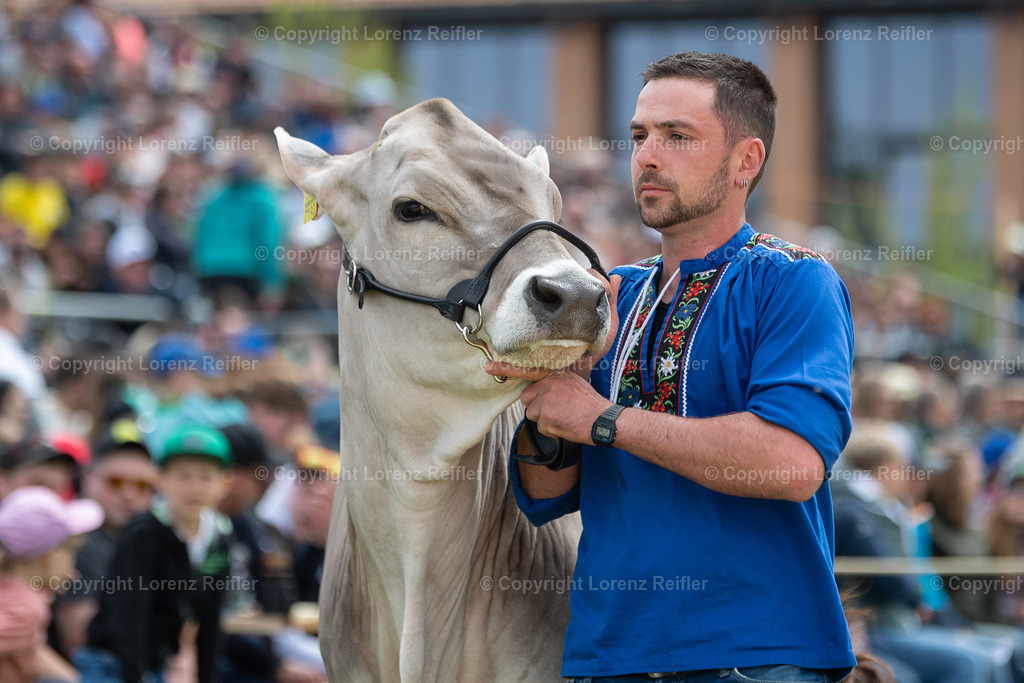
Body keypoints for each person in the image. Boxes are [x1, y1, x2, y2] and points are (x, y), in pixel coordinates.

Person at [486, 52, 856, 681]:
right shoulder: (611, 294)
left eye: (678, 136)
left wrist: (603, 419)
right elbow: (547, 496)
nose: (647, 156)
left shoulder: (794, 280)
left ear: (747, 161)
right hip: (607, 656)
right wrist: (548, 405)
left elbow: (792, 463)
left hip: (755, 656)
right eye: (639, 136)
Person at [77, 423, 234, 683]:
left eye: (206, 477)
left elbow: (211, 619)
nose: (194, 487)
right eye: (183, 476)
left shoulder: (220, 535)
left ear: (224, 483)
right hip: (112, 663)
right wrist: (136, 676)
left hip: (157, 662)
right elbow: (129, 613)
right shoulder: (144, 532)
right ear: (160, 480)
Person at [51, 421, 158, 658]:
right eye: (115, 482)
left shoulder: (153, 540)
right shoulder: (73, 540)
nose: (129, 495)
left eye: (142, 486)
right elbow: (79, 644)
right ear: (87, 478)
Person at [0, 485, 104, 683]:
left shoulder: (13, 586)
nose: (74, 570)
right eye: (70, 552)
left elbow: (33, 649)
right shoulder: (27, 610)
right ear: (49, 556)